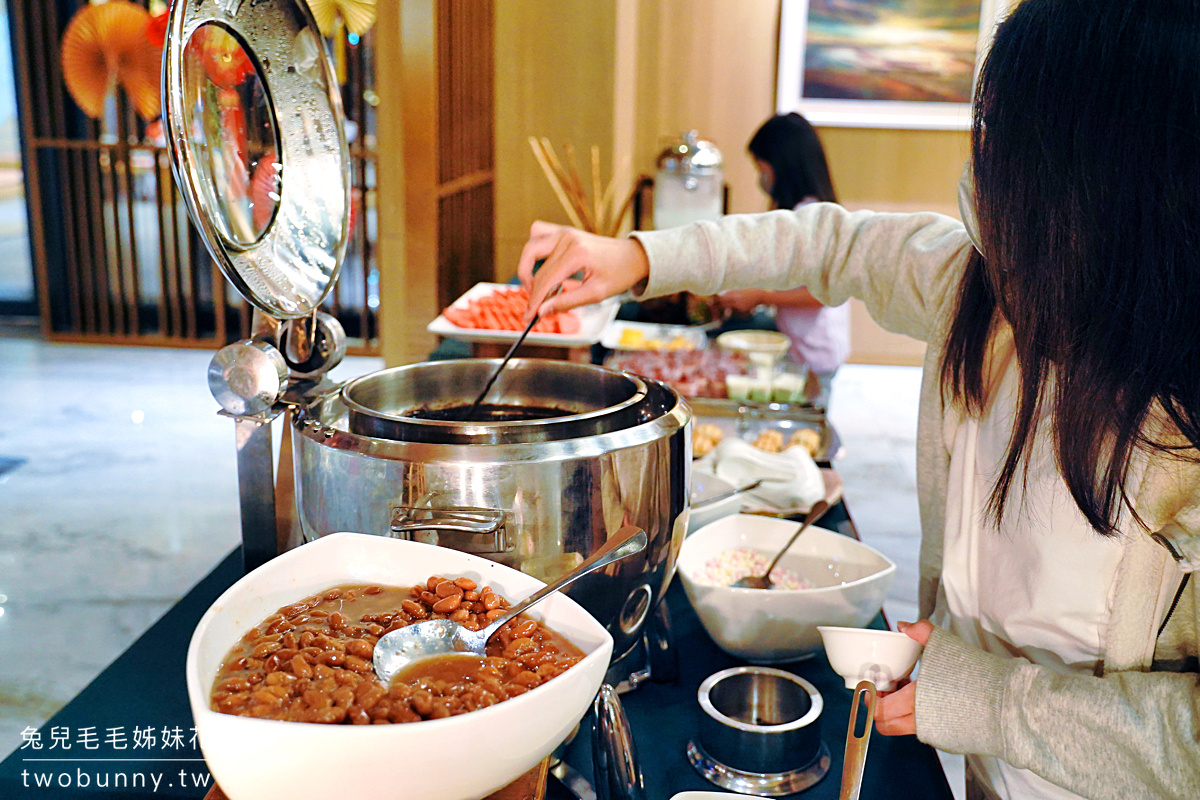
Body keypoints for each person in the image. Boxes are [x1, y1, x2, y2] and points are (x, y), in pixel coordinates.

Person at [516, 1, 1200, 798]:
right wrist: (639, 256)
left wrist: (982, 698)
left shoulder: (1175, 416)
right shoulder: (974, 291)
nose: (981, 167)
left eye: (1004, 140)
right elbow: (828, 242)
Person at [718, 112, 850, 408]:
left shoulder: (813, 215)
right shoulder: (800, 212)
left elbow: (824, 294)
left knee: (807, 423)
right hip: (801, 342)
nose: (761, 178)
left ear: (782, 166)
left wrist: (761, 295)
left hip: (816, 350)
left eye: (762, 168)